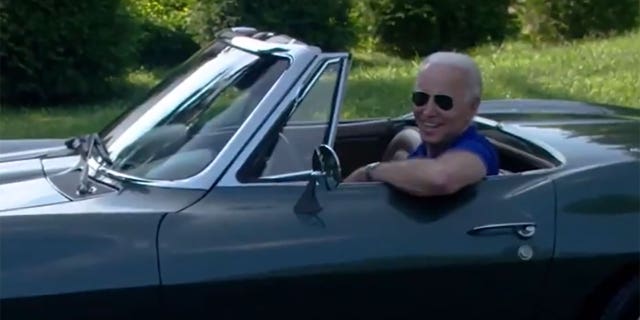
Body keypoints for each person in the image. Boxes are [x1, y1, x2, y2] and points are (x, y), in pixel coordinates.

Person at [343, 51, 499, 196]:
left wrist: (369, 172)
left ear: (472, 107)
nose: (428, 111)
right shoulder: (421, 152)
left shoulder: (478, 149)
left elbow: (440, 179)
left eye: (443, 102)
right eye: (421, 98)